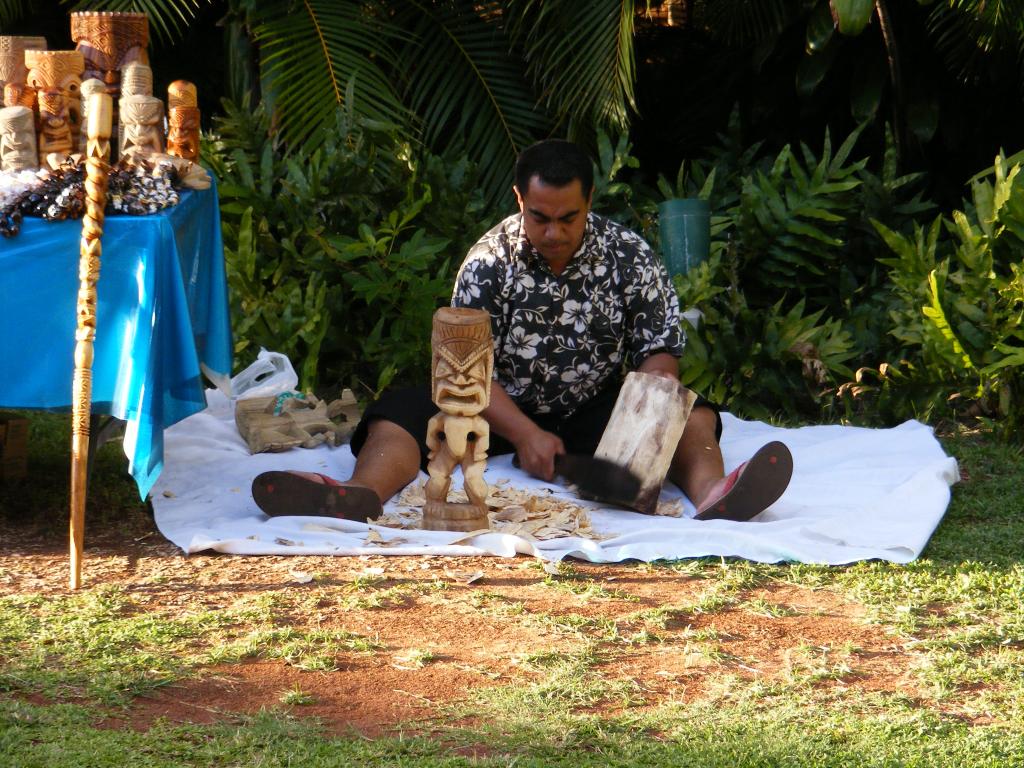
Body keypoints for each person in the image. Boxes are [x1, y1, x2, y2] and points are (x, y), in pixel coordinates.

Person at [252, 139, 792, 522]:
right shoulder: (488, 261)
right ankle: (357, 493)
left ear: (590, 202)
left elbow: (659, 352)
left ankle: (713, 493)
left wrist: (647, 422)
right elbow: (464, 368)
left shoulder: (630, 254)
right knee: (398, 412)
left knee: (691, 410)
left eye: (568, 217)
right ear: (519, 201)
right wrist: (525, 433)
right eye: (540, 217)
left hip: (590, 409)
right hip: (489, 407)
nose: (554, 232)